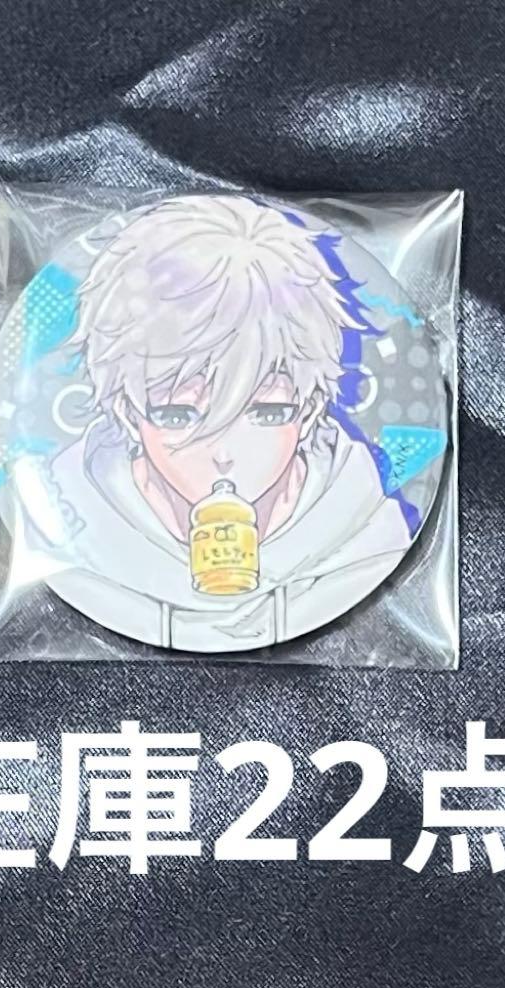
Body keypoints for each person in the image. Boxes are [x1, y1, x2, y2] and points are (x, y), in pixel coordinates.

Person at [41, 194, 410, 651]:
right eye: (177, 415)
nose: (224, 454)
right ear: (128, 414)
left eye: (267, 413)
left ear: (312, 407)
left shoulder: (363, 534)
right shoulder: (70, 532)